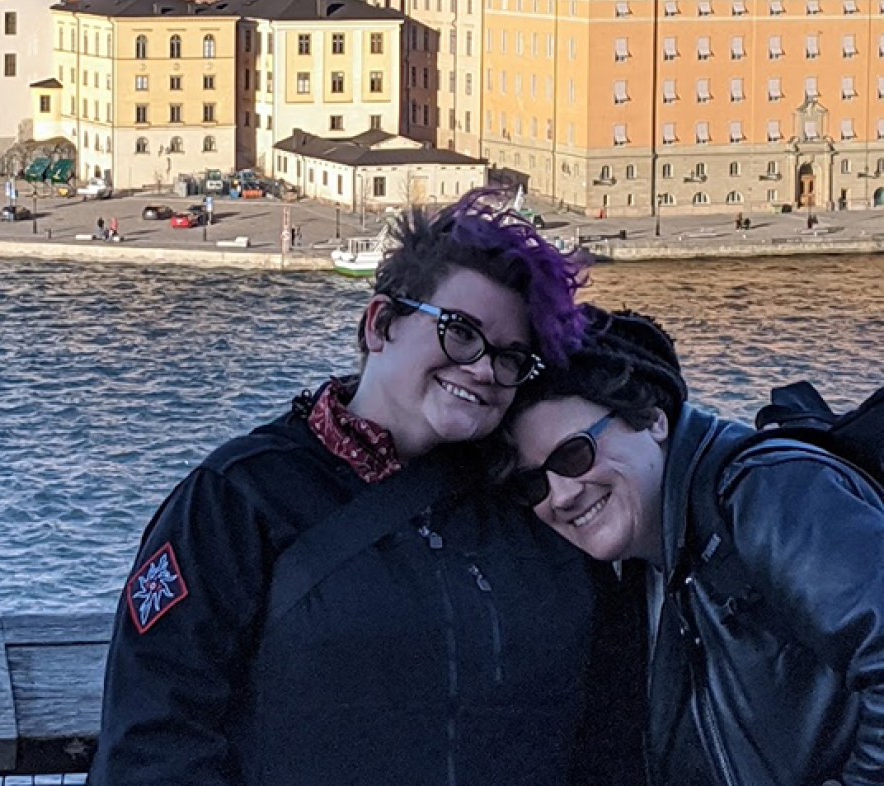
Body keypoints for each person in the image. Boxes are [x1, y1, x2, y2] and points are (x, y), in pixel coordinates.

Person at [89, 190, 642, 786]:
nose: (484, 368)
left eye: (512, 357)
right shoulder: (236, 499)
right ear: (380, 324)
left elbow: (610, 723)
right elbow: (154, 737)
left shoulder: (538, 500)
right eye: (461, 332)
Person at [505, 306, 884, 786]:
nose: (560, 494)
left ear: (651, 419)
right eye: (532, 485)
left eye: (574, 454)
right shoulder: (644, 560)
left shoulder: (761, 494)